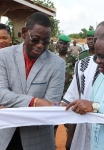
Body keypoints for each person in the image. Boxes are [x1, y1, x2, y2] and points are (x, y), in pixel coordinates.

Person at [0, 12, 65, 150]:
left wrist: (9, 109)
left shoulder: (57, 64)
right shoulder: (3, 56)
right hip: (5, 137)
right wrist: (35, 102)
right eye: (35, 39)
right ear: (24, 33)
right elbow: (1, 93)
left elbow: (49, 108)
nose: (40, 45)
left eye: (46, 42)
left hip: (38, 141)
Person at [62, 21, 104, 150]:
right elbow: (72, 100)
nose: (100, 43)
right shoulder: (81, 65)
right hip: (84, 132)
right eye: (97, 39)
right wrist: (70, 137)